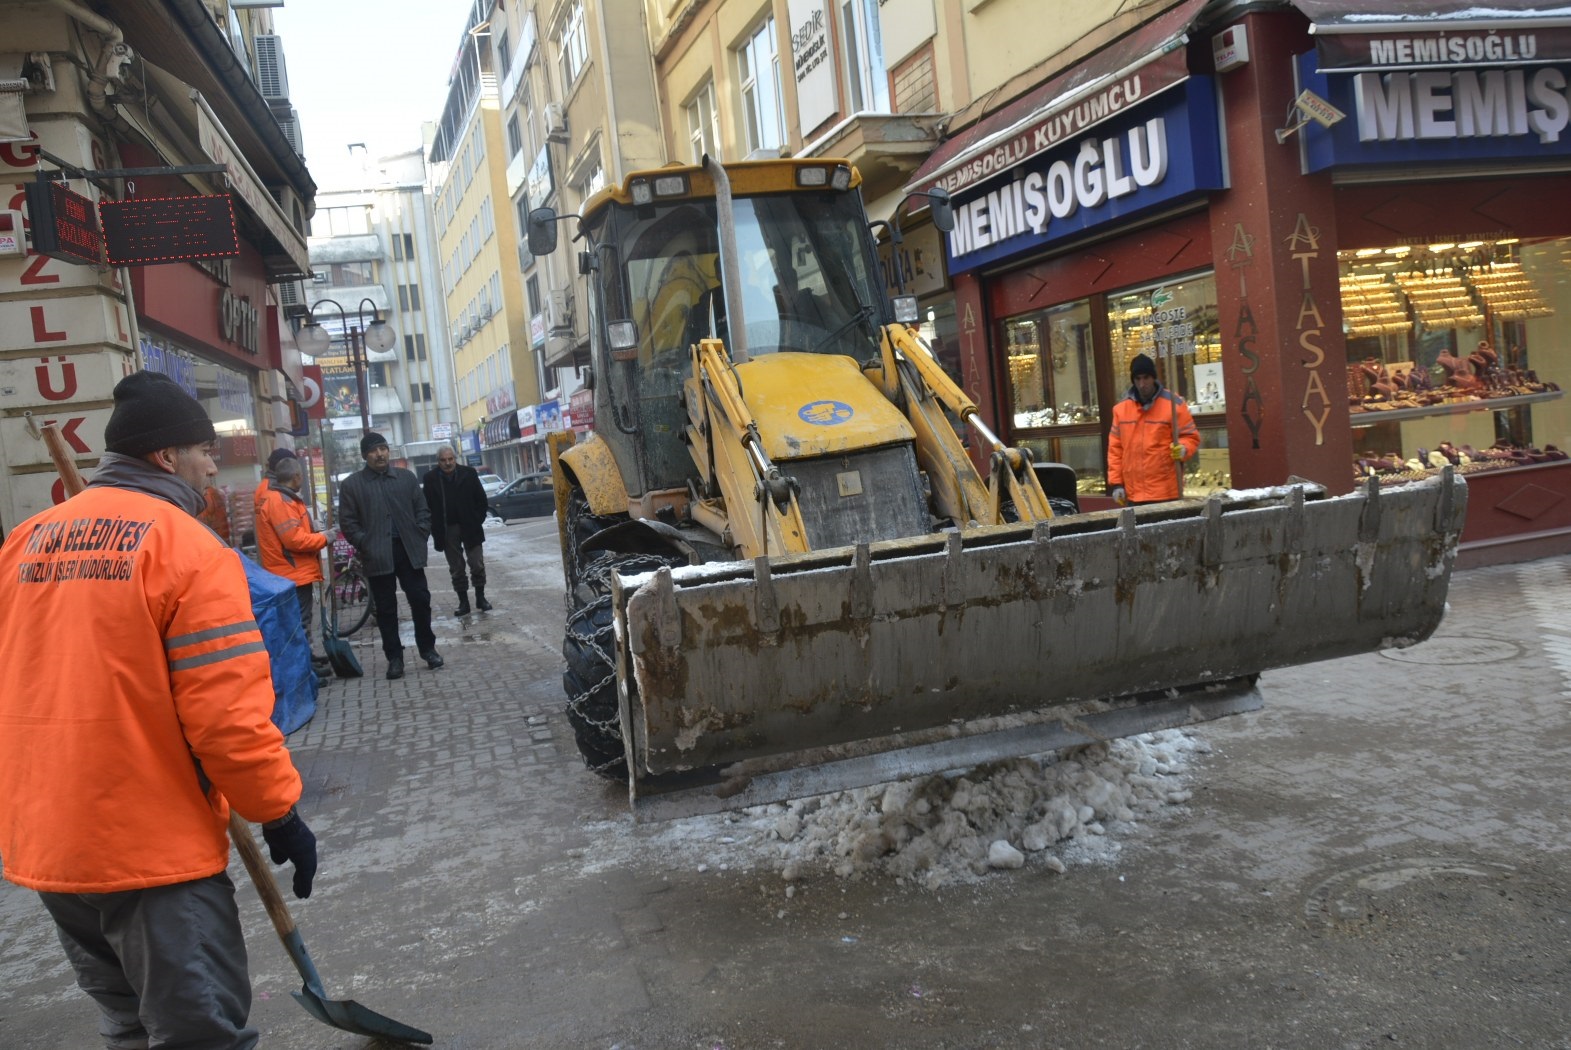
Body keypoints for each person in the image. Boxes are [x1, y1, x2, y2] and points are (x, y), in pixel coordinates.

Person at [0, 371, 317, 1050]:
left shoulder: (25, 543)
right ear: (165, 457)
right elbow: (227, 721)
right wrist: (279, 812)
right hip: (149, 852)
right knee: (196, 1036)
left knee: (130, 1029)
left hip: (52, 846)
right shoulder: (188, 551)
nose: (212, 465)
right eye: (204, 450)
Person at [338, 431, 443, 679]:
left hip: (408, 550)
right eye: (374, 451)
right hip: (377, 555)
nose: (380, 454)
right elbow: (348, 522)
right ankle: (394, 658)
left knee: (420, 600)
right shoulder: (353, 485)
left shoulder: (406, 479)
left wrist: (420, 534)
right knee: (386, 609)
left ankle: (428, 649)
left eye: (383, 448)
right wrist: (366, 543)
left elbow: (423, 510)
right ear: (366, 456)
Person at [255, 453, 330, 664]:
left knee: (298, 622)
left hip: (288, 572)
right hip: (293, 573)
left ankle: (307, 661)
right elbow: (294, 541)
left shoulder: (281, 498)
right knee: (299, 623)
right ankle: (305, 667)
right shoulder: (281, 501)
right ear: (296, 476)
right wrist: (324, 538)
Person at [1107, 353, 1201, 506]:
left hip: (1165, 492)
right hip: (1133, 494)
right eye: (1138, 379)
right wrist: (1117, 484)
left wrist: (1183, 449)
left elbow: (1190, 436)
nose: (1142, 384)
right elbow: (1115, 450)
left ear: (1153, 378)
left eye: (1146, 378)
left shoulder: (1173, 404)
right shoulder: (1121, 410)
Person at [421, 444, 494, 616]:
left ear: (455, 458)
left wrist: (477, 520)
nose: (447, 463)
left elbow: (481, 500)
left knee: (477, 563)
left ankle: (480, 598)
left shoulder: (469, 473)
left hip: (470, 526)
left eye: (450, 459)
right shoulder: (430, 479)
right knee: (456, 568)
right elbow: (427, 506)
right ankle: (463, 603)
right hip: (447, 530)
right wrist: (434, 527)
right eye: (443, 460)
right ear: (438, 461)